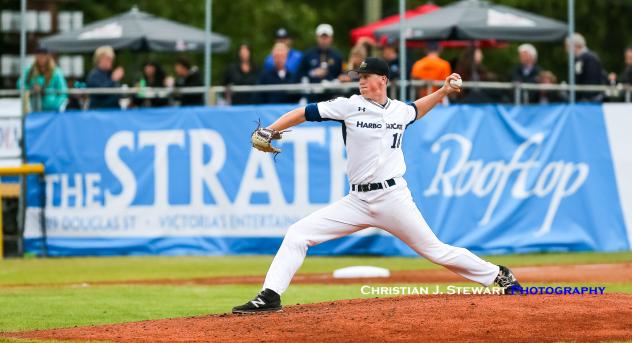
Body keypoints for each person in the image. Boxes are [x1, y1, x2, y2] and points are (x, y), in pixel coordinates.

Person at [233, 57, 522, 314]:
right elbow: (304, 112)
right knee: (298, 234)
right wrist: (272, 129)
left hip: (393, 197)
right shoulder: (349, 105)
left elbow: (415, 110)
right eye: (358, 76)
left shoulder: (398, 111)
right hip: (357, 202)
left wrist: (443, 91)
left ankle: (498, 275)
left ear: (382, 79)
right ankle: (270, 296)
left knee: (435, 250)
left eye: (365, 76)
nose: (359, 80)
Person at [298, 23, 343, 101]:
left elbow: (341, 74)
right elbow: (299, 74)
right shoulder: (308, 54)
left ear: (331, 38)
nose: (324, 40)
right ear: (317, 38)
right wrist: (312, 73)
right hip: (312, 97)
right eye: (322, 37)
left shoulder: (337, 56)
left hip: (332, 97)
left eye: (326, 37)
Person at [18, 47, 67, 112]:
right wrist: (30, 88)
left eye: (43, 56)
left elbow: (63, 91)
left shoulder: (56, 72)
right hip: (34, 108)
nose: (41, 58)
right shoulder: (30, 70)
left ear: (48, 56)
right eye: (39, 55)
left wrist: (54, 105)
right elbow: (20, 83)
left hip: (52, 110)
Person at [566, 33, 606, 102]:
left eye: (568, 46)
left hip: (589, 98)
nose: (567, 49)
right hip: (588, 97)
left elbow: (590, 79)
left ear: (576, 45)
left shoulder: (587, 58)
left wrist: (584, 97)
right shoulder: (585, 57)